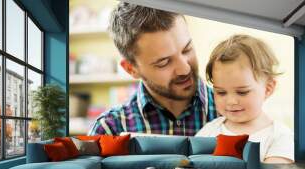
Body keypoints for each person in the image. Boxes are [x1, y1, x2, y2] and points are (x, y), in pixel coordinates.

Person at [89, 3, 217, 136]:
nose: (185, 69)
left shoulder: (235, 112)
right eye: (164, 62)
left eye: (187, 49)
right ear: (131, 69)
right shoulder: (109, 130)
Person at [196, 34, 294, 164]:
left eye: (242, 92)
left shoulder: (280, 137)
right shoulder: (209, 131)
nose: (231, 101)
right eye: (221, 92)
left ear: (268, 88)